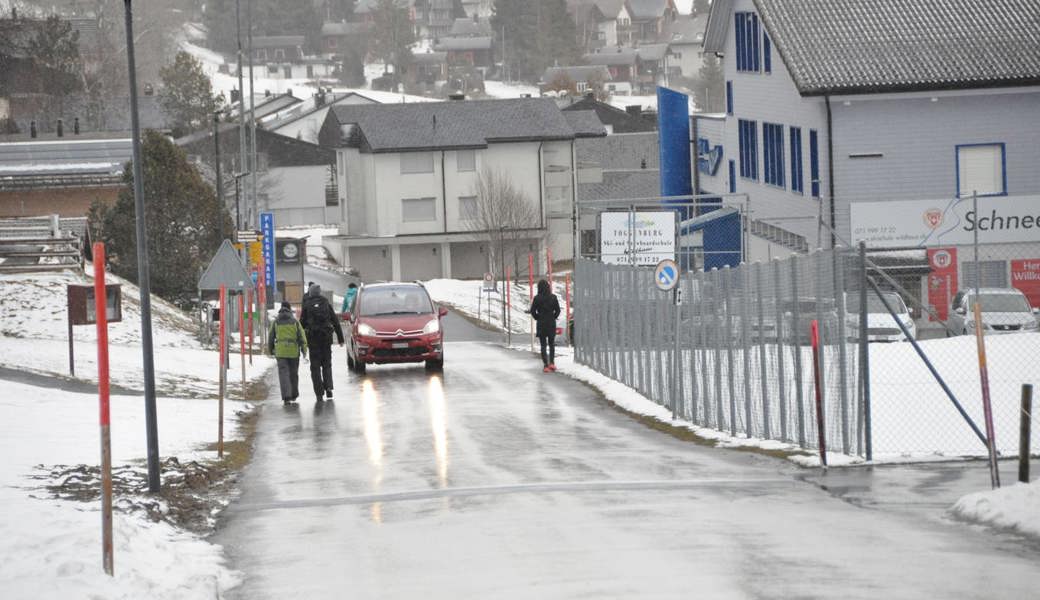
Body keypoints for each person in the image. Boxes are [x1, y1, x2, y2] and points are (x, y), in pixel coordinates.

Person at [300, 284, 344, 401]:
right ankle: (328, 387)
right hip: (326, 339)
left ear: (310, 293)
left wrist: (301, 341)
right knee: (327, 364)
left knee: (315, 367)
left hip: (313, 340)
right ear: (319, 293)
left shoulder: (307, 305)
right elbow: (335, 321)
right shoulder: (326, 303)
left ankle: (319, 393)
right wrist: (340, 338)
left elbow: (301, 324)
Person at [267, 301, 307, 404]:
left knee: (283, 374)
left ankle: (286, 396)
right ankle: (293, 394)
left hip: (280, 352)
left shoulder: (276, 322)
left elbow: (271, 336)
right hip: (293, 351)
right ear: (289, 309)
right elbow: (302, 337)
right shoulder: (295, 322)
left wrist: (270, 349)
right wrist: (304, 350)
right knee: (293, 373)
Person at [528, 279, 561, 373]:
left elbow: (533, 311)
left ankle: (545, 365)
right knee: (551, 344)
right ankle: (552, 363)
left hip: (541, 323)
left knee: (543, 345)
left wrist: (537, 317)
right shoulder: (553, 297)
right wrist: (553, 317)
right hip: (551, 323)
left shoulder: (537, 298)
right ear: (548, 287)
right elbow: (558, 310)